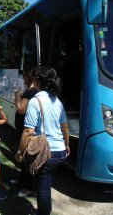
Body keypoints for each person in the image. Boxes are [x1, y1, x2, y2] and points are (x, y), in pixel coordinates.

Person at [16, 66, 70, 215]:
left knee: (43, 187)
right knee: (45, 181)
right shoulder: (57, 100)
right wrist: (66, 144)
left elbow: (28, 131)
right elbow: (65, 126)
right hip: (59, 152)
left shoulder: (35, 101)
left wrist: (20, 152)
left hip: (46, 151)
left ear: (37, 80)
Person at [11, 69, 38, 197]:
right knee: (24, 158)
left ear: (31, 78)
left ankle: (28, 187)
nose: (23, 78)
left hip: (26, 129)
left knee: (26, 157)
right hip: (22, 128)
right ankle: (21, 179)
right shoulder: (29, 90)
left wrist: (17, 96)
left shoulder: (31, 92)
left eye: (25, 76)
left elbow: (21, 109)